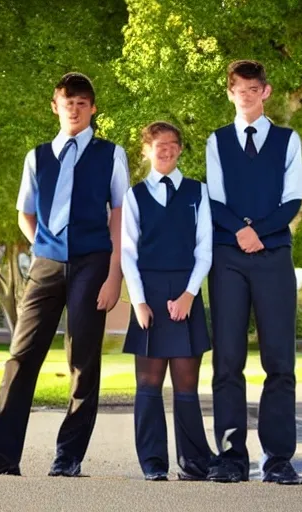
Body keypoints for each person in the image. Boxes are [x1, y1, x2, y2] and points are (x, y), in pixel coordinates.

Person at [0, 72, 130, 477]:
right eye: (66, 102)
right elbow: (25, 212)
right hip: (46, 263)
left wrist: (114, 277)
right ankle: (1, 454)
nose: (73, 109)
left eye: (81, 103)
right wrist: (44, 243)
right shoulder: (37, 156)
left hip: (94, 262)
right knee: (20, 356)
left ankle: (68, 457)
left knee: (82, 358)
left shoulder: (111, 154)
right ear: (54, 107)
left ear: (92, 109)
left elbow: (121, 217)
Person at [206, 60, 302, 484]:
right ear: (229, 93)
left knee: (279, 361)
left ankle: (278, 460)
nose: (245, 95)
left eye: (252, 89)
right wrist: (240, 233)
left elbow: (292, 200)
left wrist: (257, 233)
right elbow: (214, 200)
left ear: (265, 92)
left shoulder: (288, 140)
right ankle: (231, 459)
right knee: (227, 361)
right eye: (237, 89)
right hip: (228, 258)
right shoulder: (217, 141)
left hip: (273, 256)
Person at [121, 121, 213, 481]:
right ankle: (153, 464)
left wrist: (190, 294)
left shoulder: (197, 192)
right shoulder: (134, 196)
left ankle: (193, 463)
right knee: (148, 385)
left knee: (187, 386)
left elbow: (204, 249)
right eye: (160, 145)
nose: (167, 150)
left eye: (173, 144)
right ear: (146, 150)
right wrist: (139, 302)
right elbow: (128, 253)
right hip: (149, 294)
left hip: (187, 290)